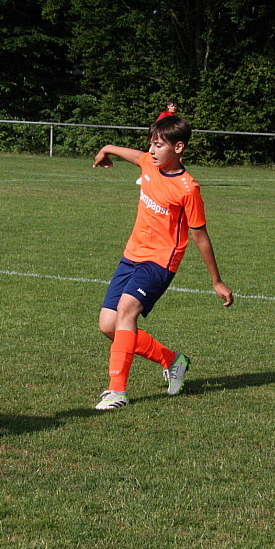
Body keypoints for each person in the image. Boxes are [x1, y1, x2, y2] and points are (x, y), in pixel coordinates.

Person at [92, 115, 233, 410]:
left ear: (178, 147)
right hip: (131, 255)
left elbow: (200, 237)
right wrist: (107, 148)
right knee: (108, 325)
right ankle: (173, 360)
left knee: (126, 311)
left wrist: (216, 280)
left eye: (159, 145)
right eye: (151, 144)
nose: (151, 151)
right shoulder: (149, 163)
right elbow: (137, 156)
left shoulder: (188, 189)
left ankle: (116, 392)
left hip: (160, 261)